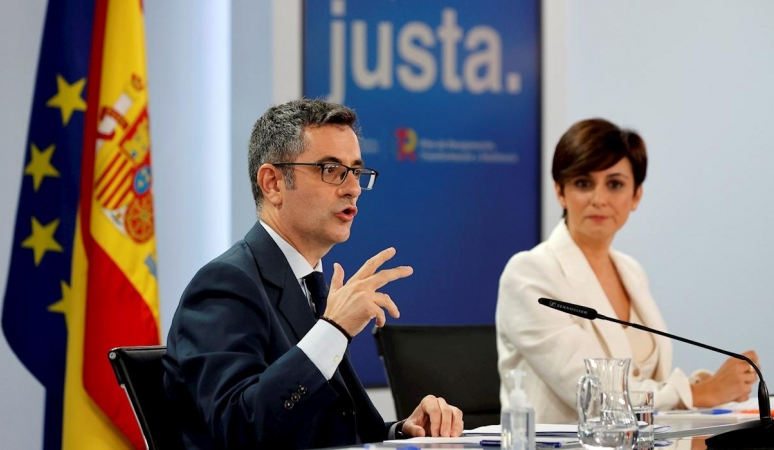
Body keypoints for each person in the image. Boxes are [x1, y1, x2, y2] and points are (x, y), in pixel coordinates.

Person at [163, 99, 464, 448]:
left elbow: (332, 431)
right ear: (273, 183)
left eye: (356, 171)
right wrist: (333, 331)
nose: (352, 188)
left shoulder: (309, 285)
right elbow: (239, 428)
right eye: (331, 169)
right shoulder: (225, 286)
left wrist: (403, 433)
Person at [495, 118, 759, 423]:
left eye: (615, 184)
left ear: (636, 196)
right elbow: (592, 395)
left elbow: (642, 385)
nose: (599, 199)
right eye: (583, 183)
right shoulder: (529, 273)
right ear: (560, 192)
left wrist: (711, 387)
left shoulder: (631, 271)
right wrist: (701, 394)